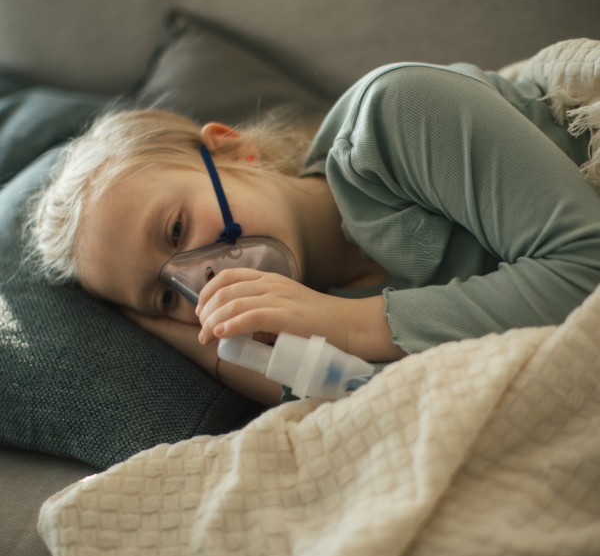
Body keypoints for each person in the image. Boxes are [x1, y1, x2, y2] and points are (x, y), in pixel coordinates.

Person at [30, 62, 600, 407]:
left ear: (231, 149)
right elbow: (351, 395)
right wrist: (195, 336)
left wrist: (348, 325)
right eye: (161, 296)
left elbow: (587, 270)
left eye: (176, 229)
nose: (195, 279)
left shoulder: (394, 117)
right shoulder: (308, 320)